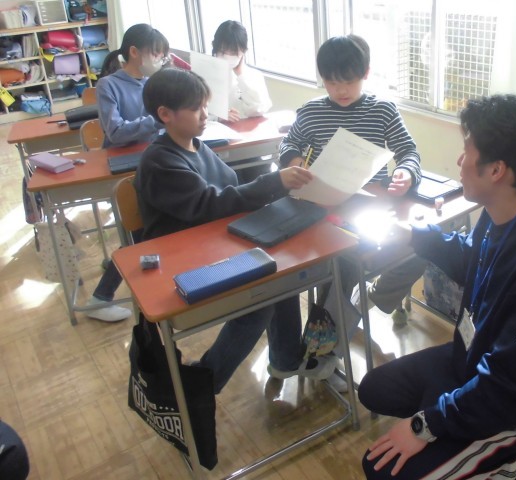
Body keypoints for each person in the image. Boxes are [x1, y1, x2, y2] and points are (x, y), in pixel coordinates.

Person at [358, 94, 516, 479]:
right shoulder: (504, 213)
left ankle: (512, 457)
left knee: (381, 472)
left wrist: (425, 425)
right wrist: (416, 236)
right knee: (375, 390)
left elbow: (506, 388)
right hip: (473, 360)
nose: (460, 161)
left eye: (467, 151)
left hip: (515, 405)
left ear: (496, 170)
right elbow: (472, 257)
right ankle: (462, 432)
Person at [134, 67, 337, 393]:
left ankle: (286, 359)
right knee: (259, 304)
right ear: (165, 114)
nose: (206, 115)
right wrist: (273, 182)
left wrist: (277, 187)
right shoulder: (159, 162)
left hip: (217, 244)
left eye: (205, 105)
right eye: (196, 108)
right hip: (182, 265)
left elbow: (229, 189)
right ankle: (205, 383)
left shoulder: (195, 145)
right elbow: (211, 204)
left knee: (280, 275)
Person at [279, 34, 424, 367]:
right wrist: (294, 162)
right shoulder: (312, 111)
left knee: (422, 246)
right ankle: (325, 351)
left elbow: (408, 151)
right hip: (326, 207)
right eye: (332, 82)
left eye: (349, 82)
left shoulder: (382, 110)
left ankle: (363, 301)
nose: (341, 90)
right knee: (343, 263)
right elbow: (288, 145)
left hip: (371, 206)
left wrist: (406, 172)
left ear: (366, 74)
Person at [84, 24, 170, 322]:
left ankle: (140, 276)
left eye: (162, 55)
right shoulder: (109, 85)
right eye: (156, 54)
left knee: (148, 230)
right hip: (125, 167)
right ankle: (100, 298)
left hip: (154, 161)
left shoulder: (154, 82)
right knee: (140, 232)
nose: (159, 60)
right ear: (134, 52)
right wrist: (158, 120)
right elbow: (116, 132)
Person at [211, 20, 273, 182]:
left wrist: (240, 75)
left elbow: (258, 109)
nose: (226, 55)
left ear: (243, 51)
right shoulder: (206, 73)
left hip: (248, 142)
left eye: (232, 51)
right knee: (231, 178)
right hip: (220, 144)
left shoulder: (253, 75)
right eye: (222, 51)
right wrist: (218, 115)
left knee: (259, 175)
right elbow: (195, 110)